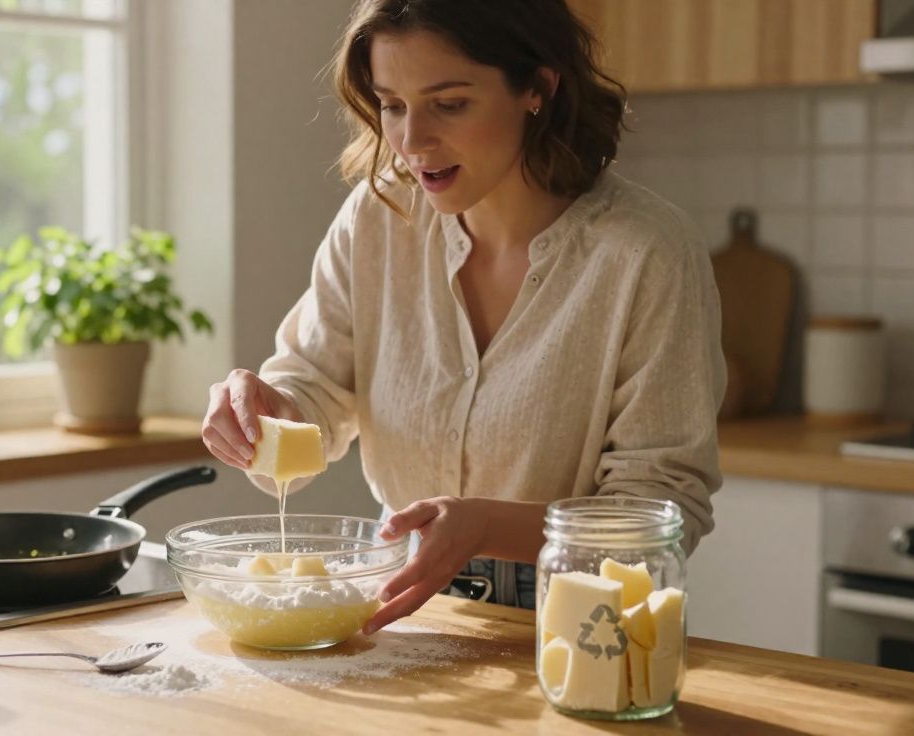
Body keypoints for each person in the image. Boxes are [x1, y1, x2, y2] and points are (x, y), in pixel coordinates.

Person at [200, 0, 724, 636]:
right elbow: (314, 385)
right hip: (402, 604)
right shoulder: (377, 218)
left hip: (582, 621)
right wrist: (265, 412)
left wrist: (488, 526)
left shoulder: (647, 252)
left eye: (449, 104)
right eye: (392, 104)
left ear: (537, 87)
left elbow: (660, 513)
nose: (411, 141)